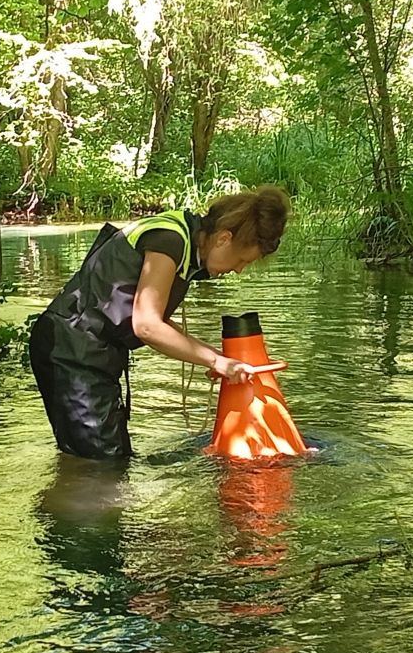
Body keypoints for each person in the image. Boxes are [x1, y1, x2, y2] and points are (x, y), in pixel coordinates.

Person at [28, 186, 289, 460]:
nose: (238, 270)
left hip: (86, 350)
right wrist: (216, 361)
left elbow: (156, 320)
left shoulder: (188, 243)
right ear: (224, 238)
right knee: (102, 466)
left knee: (102, 460)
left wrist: (220, 358)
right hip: (70, 349)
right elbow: (147, 326)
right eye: (241, 260)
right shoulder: (170, 240)